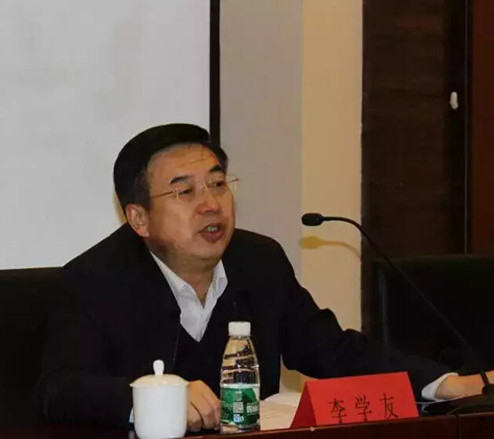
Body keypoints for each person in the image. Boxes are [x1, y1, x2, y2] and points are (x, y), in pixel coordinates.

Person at [37, 123, 493, 430]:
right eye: (185, 192)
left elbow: (333, 351)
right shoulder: (94, 281)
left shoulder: (259, 261)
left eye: (218, 184)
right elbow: (61, 391)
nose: (210, 204)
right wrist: (154, 398)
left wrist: (445, 384)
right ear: (139, 219)